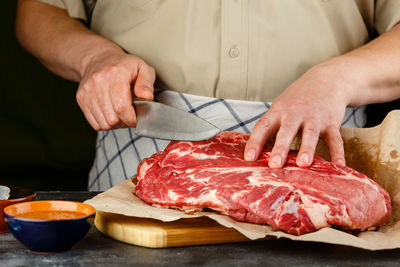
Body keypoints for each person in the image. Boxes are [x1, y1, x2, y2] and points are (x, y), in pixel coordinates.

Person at [16, 0, 400, 191]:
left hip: (314, 160)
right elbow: (38, 12)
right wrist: (94, 58)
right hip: (142, 150)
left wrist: (339, 78)